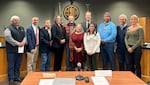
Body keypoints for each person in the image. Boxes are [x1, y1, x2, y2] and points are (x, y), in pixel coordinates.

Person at [4, 15, 26, 85]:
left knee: (18, 64)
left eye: (18, 20)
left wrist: (23, 42)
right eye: (15, 20)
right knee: (11, 65)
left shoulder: (22, 28)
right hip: (11, 51)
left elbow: (25, 36)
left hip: (20, 50)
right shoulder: (8, 28)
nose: (17, 21)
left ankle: (17, 77)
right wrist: (17, 43)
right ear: (12, 21)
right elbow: (8, 38)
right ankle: (11, 79)